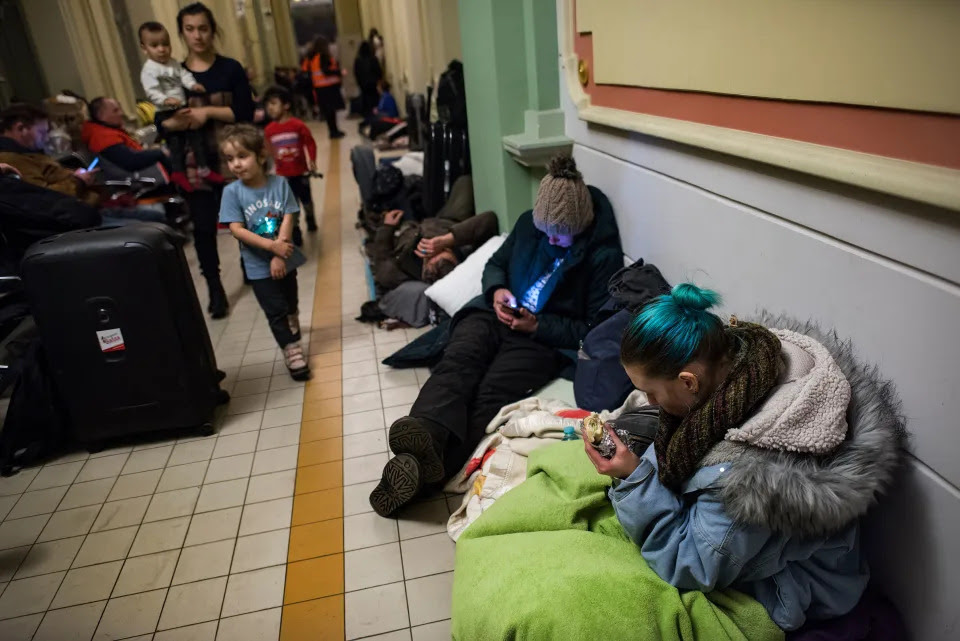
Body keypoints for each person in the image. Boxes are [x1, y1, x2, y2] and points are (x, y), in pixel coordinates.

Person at [584, 284, 899, 630]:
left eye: (651, 392)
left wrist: (634, 479)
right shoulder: (740, 362)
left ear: (689, 382)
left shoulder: (753, 478)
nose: (650, 404)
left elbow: (690, 565)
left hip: (790, 589)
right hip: (740, 550)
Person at [369, 154, 623, 516]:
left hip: (540, 340)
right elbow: (496, 265)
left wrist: (539, 326)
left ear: (581, 224)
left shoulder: (602, 256)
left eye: (559, 234)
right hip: (492, 315)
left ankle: (422, 471)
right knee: (458, 364)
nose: (550, 238)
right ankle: (425, 434)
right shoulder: (527, 225)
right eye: (545, 231)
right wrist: (497, 292)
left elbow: (591, 328)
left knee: (489, 395)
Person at [175, 1, 257, 319]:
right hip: (195, 164)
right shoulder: (175, 74)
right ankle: (215, 288)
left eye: (203, 28)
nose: (198, 35)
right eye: (190, 29)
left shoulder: (230, 69)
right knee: (204, 229)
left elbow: (245, 113)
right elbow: (162, 121)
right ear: (183, 33)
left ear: (213, 30)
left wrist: (206, 112)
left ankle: (250, 265)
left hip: (231, 159)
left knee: (244, 218)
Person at [218, 124, 310, 380]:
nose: (236, 164)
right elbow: (236, 229)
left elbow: (290, 214)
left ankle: (293, 319)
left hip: (286, 255)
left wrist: (281, 252)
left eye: (242, 156)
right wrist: (272, 249)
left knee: (290, 301)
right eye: (230, 159)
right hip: (258, 265)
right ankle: (291, 350)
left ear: (260, 155)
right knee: (275, 310)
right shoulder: (231, 192)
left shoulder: (279, 184)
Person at [0, 104, 165, 223]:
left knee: (154, 218)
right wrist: (78, 180)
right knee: (151, 226)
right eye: (42, 132)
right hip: (73, 219)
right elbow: (41, 199)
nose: (45, 138)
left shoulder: (27, 154)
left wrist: (75, 177)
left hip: (86, 207)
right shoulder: (12, 160)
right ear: (21, 128)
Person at [138, 20, 222, 192]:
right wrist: (164, 100)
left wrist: (192, 85)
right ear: (144, 48)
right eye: (155, 45)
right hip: (165, 112)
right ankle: (178, 172)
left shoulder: (174, 63)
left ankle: (203, 168)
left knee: (196, 138)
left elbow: (184, 75)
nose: (162, 49)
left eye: (165, 44)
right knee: (176, 145)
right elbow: (151, 91)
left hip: (181, 107)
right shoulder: (149, 70)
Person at [263, 86, 318, 236]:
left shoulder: (298, 125)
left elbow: (310, 142)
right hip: (282, 174)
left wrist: (312, 160)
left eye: (274, 103)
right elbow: (268, 150)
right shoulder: (269, 130)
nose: (270, 108)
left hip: (301, 172)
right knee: (289, 203)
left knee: (306, 199)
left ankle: (310, 217)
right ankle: (295, 229)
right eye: (268, 105)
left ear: (286, 105)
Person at [82, 97, 171, 174]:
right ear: (101, 116)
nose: (121, 113)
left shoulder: (107, 131)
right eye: (115, 111)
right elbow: (131, 161)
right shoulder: (103, 137)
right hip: (145, 177)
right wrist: (160, 153)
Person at [307, 37, 345, 139]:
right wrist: (339, 72)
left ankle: (333, 131)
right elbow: (326, 71)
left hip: (320, 89)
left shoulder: (313, 57)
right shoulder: (323, 56)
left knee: (328, 112)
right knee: (331, 112)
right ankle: (334, 131)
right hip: (328, 88)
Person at [353, 40, 382, 121]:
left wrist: (359, 82)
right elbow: (378, 72)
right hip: (373, 84)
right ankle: (375, 117)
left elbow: (356, 73)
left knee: (365, 101)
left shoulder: (358, 60)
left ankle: (367, 117)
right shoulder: (373, 59)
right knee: (374, 102)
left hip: (363, 84)